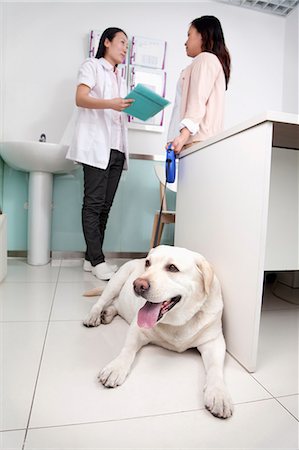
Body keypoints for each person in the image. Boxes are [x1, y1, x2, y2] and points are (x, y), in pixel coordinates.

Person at [66, 28, 134, 280]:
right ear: (106, 42)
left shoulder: (120, 77)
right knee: (93, 205)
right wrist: (110, 103)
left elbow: (118, 110)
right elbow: (80, 98)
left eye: (127, 45)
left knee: (105, 207)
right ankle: (98, 260)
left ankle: (89, 258)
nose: (125, 48)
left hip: (117, 148)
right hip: (97, 147)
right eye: (121, 42)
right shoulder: (92, 66)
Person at [167, 15, 231, 154]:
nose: (185, 42)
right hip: (197, 142)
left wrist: (183, 135)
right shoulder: (205, 61)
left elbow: (197, 100)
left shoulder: (205, 59)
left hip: (196, 142)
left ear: (202, 35)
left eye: (189, 35)